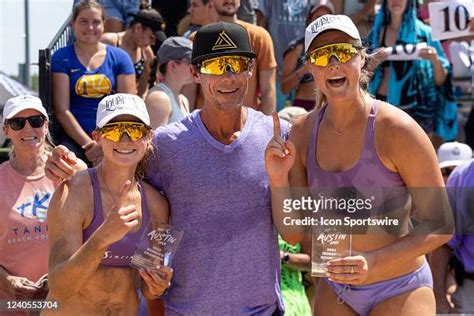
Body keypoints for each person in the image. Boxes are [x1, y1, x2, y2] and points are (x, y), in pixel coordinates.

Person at [45, 22, 290, 314]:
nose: (227, 75)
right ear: (195, 73)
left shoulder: (279, 136)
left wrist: (154, 283)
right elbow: (114, 169)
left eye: (236, 63)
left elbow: (150, 276)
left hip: (260, 309)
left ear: (250, 68)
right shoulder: (166, 145)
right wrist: (61, 161)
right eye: (214, 65)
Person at [265, 14, 453, 315]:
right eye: (323, 55)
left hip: (400, 284)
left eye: (344, 51)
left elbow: (442, 224)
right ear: (310, 67)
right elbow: (294, 234)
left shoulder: (397, 129)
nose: (334, 63)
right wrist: (278, 179)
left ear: (361, 58)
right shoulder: (300, 134)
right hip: (336, 287)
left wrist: (374, 263)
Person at [43, 94, 171, 315]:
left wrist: (157, 286)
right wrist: (103, 237)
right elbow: (59, 287)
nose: (124, 138)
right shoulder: (73, 192)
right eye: (113, 130)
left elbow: (147, 286)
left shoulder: (156, 204)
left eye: (135, 130)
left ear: (148, 137)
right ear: (98, 137)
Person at [0, 96, 71, 316]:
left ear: (46, 125)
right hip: (9, 305)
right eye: (18, 123)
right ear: (6, 131)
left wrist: (59, 278)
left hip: (63, 303)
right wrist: (6, 280)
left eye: (36, 121)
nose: (28, 128)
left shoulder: (70, 172)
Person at [52, 0, 136, 166]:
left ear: (104, 24)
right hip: (75, 140)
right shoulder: (61, 58)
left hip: (114, 136)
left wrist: (107, 141)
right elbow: (62, 110)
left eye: (96, 22)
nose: (90, 28)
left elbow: (128, 105)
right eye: (83, 21)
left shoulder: (120, 58)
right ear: (73, 24)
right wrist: (89, 144)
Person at [367, 0, 457, 147]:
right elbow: (362, 78)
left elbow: (441, 81)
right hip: (382, 105)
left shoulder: (425, 34)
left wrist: (435, 61)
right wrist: (372, 63)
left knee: (417, 160)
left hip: (419, 110)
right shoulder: (376, 34)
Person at [431, 151, 474, 314]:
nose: (447, 175)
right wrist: (440, 299)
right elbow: (442, 244)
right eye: (444, 171)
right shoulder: (463, 177)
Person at [255, 0, 314, 111]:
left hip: (302, 73)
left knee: (301, 118)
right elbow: (261, 23)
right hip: (275, 70)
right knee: (273, 117)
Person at [101, 8, 167, 98]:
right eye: (151, 37)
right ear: (138, 28)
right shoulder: (108, 42)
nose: (153, 43)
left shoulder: (146, 53)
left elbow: (145, 85)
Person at [281, 1, 335, 111]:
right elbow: (284, 88)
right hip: (303, 107)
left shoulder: (337, 48)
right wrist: (305, 69)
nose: (322, 22)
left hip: (331, 108)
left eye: (326, 18)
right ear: (310, 20)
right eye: (318, 17)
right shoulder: (298, 47)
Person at [145, 37, 193, 128]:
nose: (195, 67)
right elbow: (153, 142)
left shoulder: (183, 99)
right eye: (190, 62)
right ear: (173, 65)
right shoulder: (159, 98)